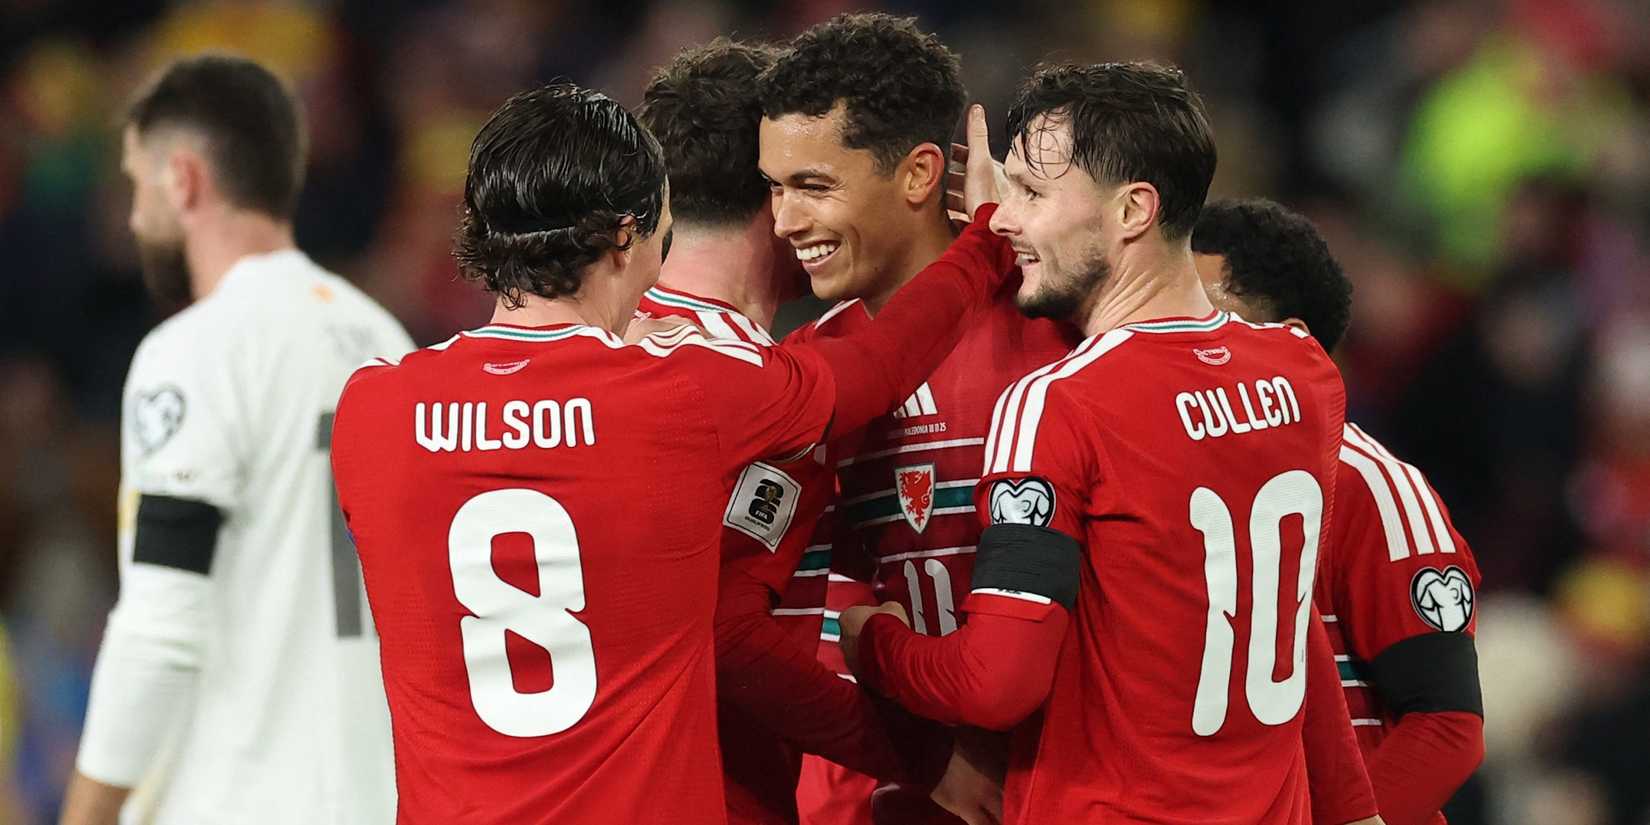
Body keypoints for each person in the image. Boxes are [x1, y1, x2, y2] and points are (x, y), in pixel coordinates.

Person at [329, 82, 1018, 825]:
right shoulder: (681, 392)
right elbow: (877, 368)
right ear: (629, 235)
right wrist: (986, 238)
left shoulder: (370, 407)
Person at [840, 61, 1382, 825]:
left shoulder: (1060, 403)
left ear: (1132, 210)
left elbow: (997, 681)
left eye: (1032, 194)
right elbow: (1288, 625)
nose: (1002, 220)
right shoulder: (1303, 375)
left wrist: (877, 643)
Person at [61, 55, 412, 825]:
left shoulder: (193, 350)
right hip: (380, 793)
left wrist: (85, 813)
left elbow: (160, 626)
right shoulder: (387, 342)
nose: (133, 217)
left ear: (183, 178)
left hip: (243, 794)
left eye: (137, 183)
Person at [751, 15, 1082, 825]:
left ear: (920, 174)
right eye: (774, 187)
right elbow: (777, 615)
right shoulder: (805, 371)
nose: (784, 221)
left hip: (1076, 786)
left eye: (813, 186)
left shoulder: (1065, 333)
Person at [635, 39, 946, 825]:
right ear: (773, 194)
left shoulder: (598, 343)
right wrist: (922, 756)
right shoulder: (761, 389)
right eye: (801, 181)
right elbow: (730, 639)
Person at [1192, 197, 1485, 825]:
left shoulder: (1368, 485)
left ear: (1291, 340)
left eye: (1204, 314)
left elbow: (1446, 725)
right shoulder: (1155, 475)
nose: (1174, 337)